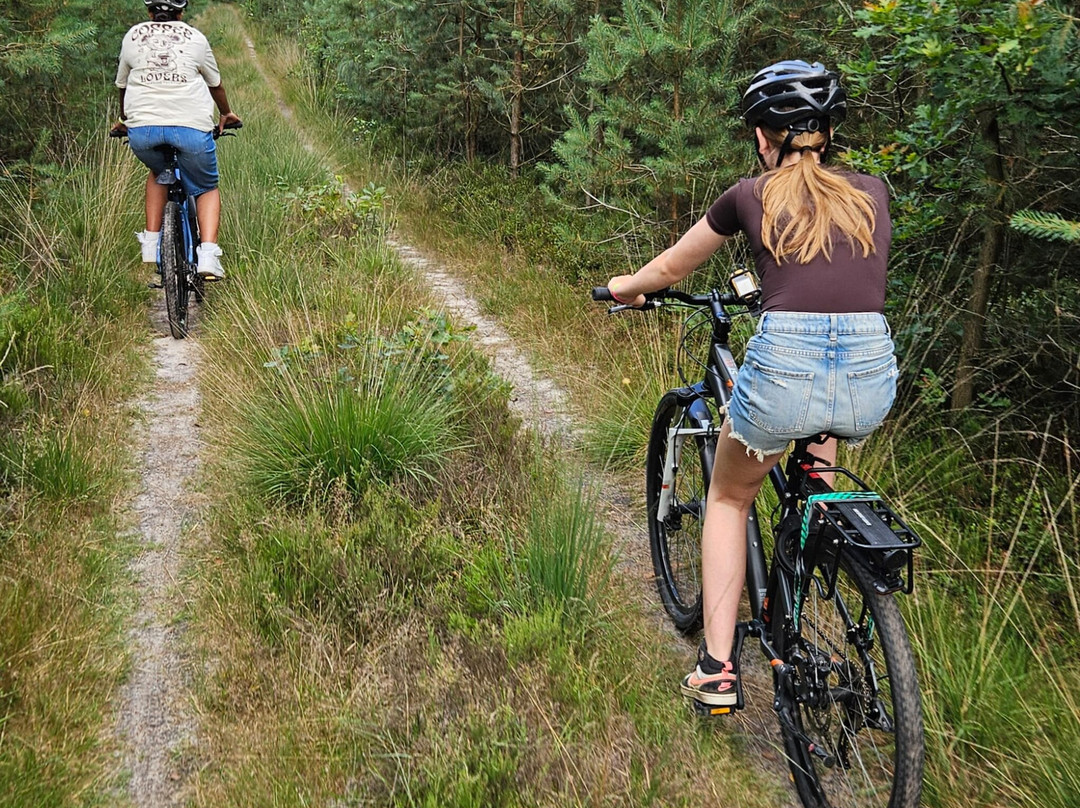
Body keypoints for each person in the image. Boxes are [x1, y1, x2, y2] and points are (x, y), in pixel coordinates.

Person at [605, 60, 898, 707]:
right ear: (826, 132)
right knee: (814, 467)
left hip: (786, 367)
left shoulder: (750, 195)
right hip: (870, 374)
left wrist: (624, 288)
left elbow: (671, 265)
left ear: (765, 136)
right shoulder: (873, 192)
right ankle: (811, 547)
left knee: (730, 499)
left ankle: (716, 670)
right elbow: (846, 293)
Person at [111, 0, 242, 280]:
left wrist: (124, 119)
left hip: (143, 131)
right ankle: (207, 254)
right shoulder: (196, 38)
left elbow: (123, 85)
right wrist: (226, 113)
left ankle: (151, 242)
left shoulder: (133, 35)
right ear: (182, 13)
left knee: (158, 172)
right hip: (191, 128)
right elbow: (215, 84)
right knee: (206, 186)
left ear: (149, 13)